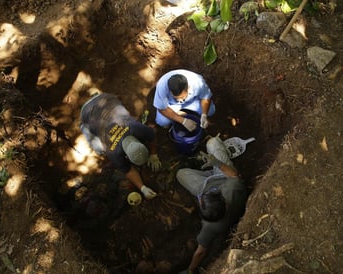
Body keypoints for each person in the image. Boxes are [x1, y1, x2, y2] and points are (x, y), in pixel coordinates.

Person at [176, 136, 247, 273]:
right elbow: (234, 175)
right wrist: (217, 163)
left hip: (209, 183)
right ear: (222, 199)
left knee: (181, 174)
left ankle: (206, 173)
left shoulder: (210, 227)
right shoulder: (233, 189)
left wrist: (190, 270)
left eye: (201, 199)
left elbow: (200, 252)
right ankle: (210, 169)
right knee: (213, 142)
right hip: (224, 175)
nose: (200, 199)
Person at [80, 93, 161, 199]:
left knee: (124, 114)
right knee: (99, 150)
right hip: (86, 111)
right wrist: (142, 188)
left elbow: (152, 136)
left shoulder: (136, 127)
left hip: (105, 99)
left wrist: (153, 154)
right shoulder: (112, 151)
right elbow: (128, 170)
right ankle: (83, 126)